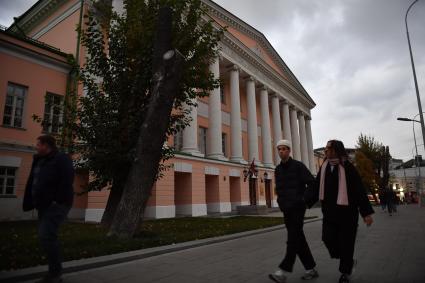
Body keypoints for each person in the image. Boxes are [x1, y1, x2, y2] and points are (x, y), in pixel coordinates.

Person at [305, 140, 374, 283]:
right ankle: (346, 259)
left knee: (346, 244)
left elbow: (359, 190)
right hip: (329, 213)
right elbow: (316, 186)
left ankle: (345, 273)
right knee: (327, 239)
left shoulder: (348, 167)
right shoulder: (324, 167)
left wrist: (366, 213)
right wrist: (305, 202)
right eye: (325, 149)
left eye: (328, 148)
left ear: (336, 150)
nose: (326, 151)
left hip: (348, 215)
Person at [23, 135, 74, 283]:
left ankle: (55, 274)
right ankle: (54, 272)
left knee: (46, 235)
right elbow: (34, 181)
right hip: (42, 205)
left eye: (38, 144)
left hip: (57, 205)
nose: (36, 147)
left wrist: (56, 200)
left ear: (46, 145)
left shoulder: (61, 159)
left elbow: (67, 180)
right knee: (47, 236)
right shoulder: (39, 160)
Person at [269, 139, 318, 283]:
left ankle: (282, 271)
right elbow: (279, 189)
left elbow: (312, 184)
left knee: (292, 239)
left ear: (289, 151)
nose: (281, 151)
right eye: (279, 149)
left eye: (284, 149)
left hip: (297, 208)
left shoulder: (298, 166)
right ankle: (311, 269)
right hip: (286, 209)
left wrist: (303, 200)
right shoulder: (277, 170)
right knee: (298, 239)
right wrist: (280, 202)